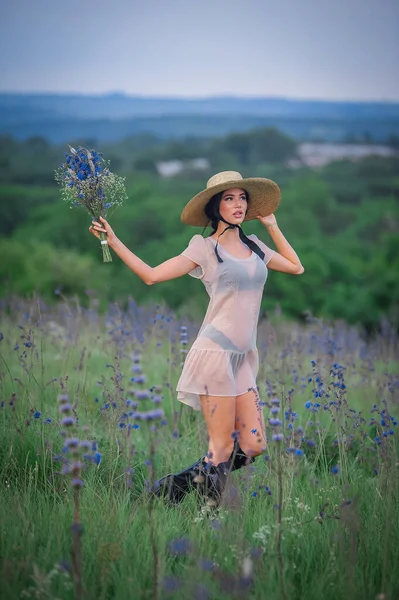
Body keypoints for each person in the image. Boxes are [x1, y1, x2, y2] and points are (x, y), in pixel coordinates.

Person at [89, 170, 304, 506]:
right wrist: (113, 241)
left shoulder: (255, 246)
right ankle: (209, 520)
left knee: (254, 444)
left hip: (244, 357)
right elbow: (150, 276)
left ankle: (173, 487)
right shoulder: (205, 249)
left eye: (242, 198)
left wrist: (272, 226)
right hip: (215, 353)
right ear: (215, 206)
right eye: (229, 198)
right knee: (219, 448)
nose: (238, 204)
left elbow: (296, 267)